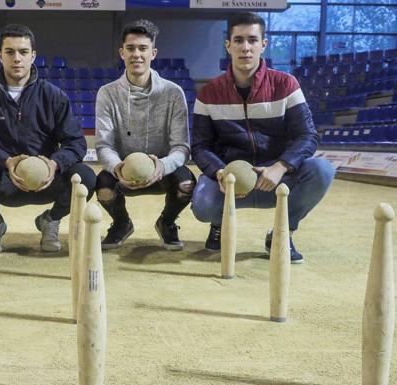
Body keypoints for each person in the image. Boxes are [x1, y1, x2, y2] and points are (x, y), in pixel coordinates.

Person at [190, 12, 335, 263]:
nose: (245, 47)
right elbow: (201, 147)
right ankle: (218, 223)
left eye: (252, 40)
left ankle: (282, 232)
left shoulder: (286, 85)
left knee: (322, 170)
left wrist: (281, 166)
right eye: (238, 40)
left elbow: (307, 135)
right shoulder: (208, 93)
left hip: (277, 177)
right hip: (231, 179)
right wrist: (220, 173)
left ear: (263, 44)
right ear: (228, 45)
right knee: (202, 203)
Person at [0, 24, 95, 254]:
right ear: (0, 55)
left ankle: (51, 220)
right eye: (10, 52)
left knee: (85, 176)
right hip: (5, 180)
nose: (17, 58)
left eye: (23, 52)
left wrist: (53, 164)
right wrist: (7, 162)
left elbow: (76, 143)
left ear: (33, 56)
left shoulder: (54, 96)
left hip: (47, 179)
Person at [95, 19, 195, 251]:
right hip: (123, 171)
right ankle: (121, 224)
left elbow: (181, 147)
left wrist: (161, 165)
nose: (136, 54)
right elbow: (104, 145)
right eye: (130, 48)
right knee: (102, 187)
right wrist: (118, 167)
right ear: (122, 53)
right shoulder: (107, 94)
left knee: (187, 183)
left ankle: (167, 222)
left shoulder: (173, 93)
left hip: (162, 170)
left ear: (153, 53)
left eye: (143, 48)